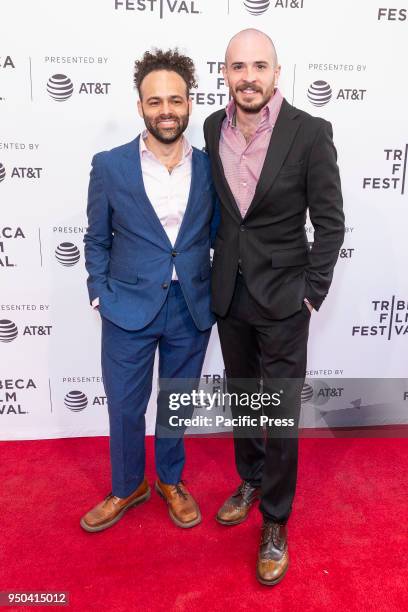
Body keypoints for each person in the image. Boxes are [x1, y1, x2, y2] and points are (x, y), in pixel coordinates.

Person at [204, 29, 345, 585]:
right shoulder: (213, 126)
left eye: (258, 65)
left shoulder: (310, 133)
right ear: (225, 74)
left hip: (286, 296)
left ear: (277, 71)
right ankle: (250, 476)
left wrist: (312, 291)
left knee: (280, 413)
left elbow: (330, 222)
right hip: (229, 293)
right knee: (245, 398)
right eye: (238, 67)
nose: (248, 77)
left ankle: (276, 519)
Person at [81, 48, 219, 533]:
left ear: (189, 103)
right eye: (155, 100)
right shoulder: (111, 165)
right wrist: (100, 292)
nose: (166, 110)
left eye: (176, 100)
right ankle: (126, 486)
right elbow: (97, 237)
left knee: (177, 401)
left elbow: (220, 235)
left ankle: (170, 481)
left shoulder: (210, 167)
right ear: (139, 105)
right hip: (126, 307)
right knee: (124, 404)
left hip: (190, 307)